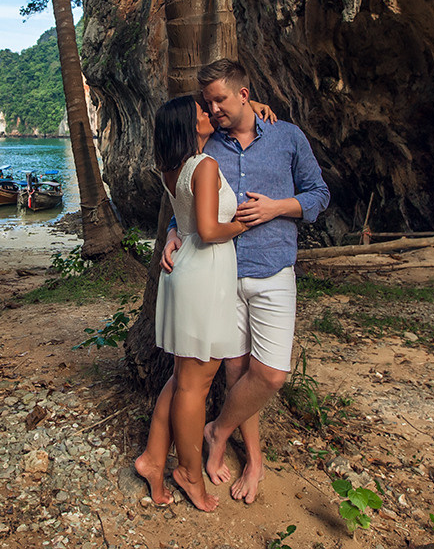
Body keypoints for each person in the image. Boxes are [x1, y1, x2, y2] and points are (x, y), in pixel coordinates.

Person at [161, 58, 329, 504]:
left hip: (274, 267)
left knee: (270, 374)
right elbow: (187, 198)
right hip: (222, 274)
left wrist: (277, 207)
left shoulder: (287, 136)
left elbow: (319, 194)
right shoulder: (206, 146)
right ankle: (253, 459)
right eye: (206, 102)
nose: (213, 108)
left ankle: (218, 429)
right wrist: (175, 233)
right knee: (236, 369)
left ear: (244, 94)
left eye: (220, 99)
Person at [134, 94, 247, 512]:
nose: (209, 113)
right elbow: (208, 229)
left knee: (184, 379)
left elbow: (184, 223)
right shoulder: (204, 166)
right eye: (201, 111)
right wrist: (249, 221)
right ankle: (188, 473)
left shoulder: (174, 168)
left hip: (186, 272)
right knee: (195, 384)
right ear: (187, 124)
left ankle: (151, 458)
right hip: (204, 274)